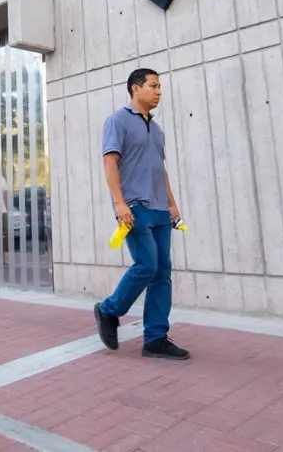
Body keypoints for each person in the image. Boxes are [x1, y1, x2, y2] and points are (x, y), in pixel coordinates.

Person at [93, 68, 190, 360]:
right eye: (153, 86)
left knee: (162, 273)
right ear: (136, 89)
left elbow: (160, 169)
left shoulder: (157, 130)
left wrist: (172, 204)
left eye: (160, 86)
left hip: (160, 209)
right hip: (134, 207)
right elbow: (110, 162)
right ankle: (109, 310)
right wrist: (119, 204)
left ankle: (156, 338)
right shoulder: (118, 120)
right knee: (146, 266)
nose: (159, 91)